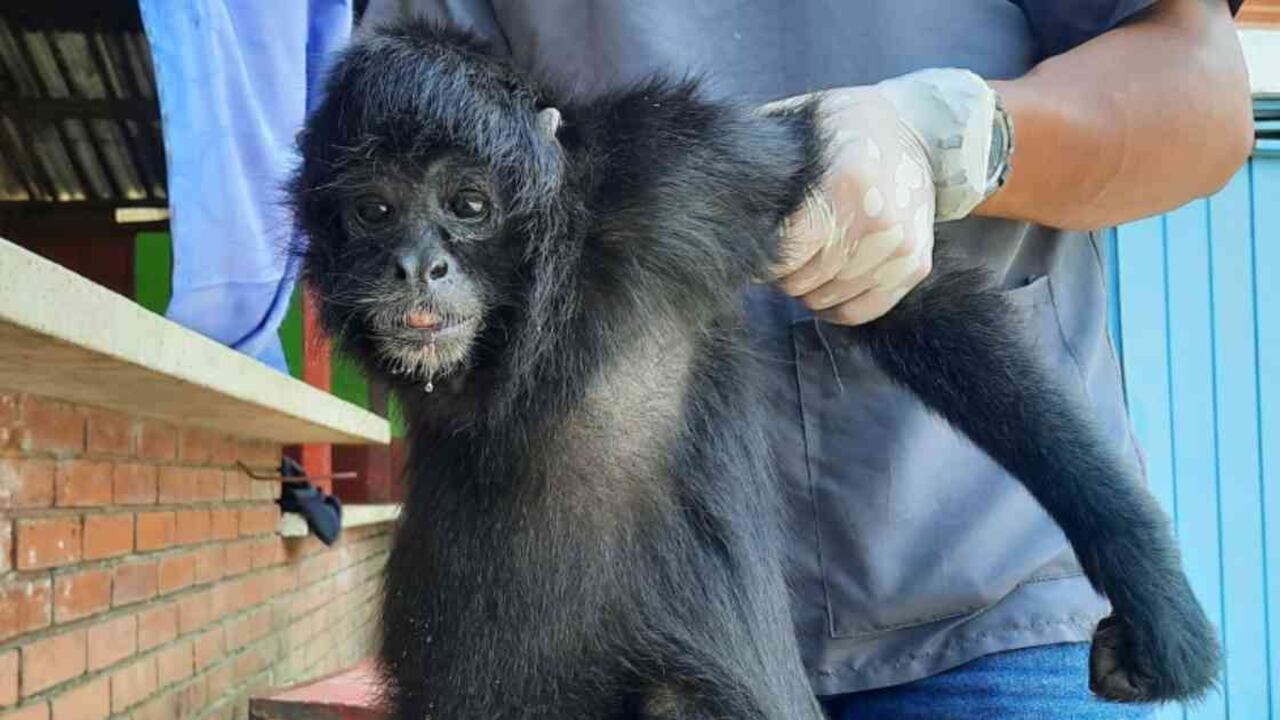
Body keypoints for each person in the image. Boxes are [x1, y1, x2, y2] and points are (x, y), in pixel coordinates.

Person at [357, 1, 1254, 717]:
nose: (418, 263)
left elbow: (930, 316)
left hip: (983, 607)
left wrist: (1129, 547)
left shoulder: (637, 176)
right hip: (592, 644)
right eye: (374, 221)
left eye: (466, 210)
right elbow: (395, 102)